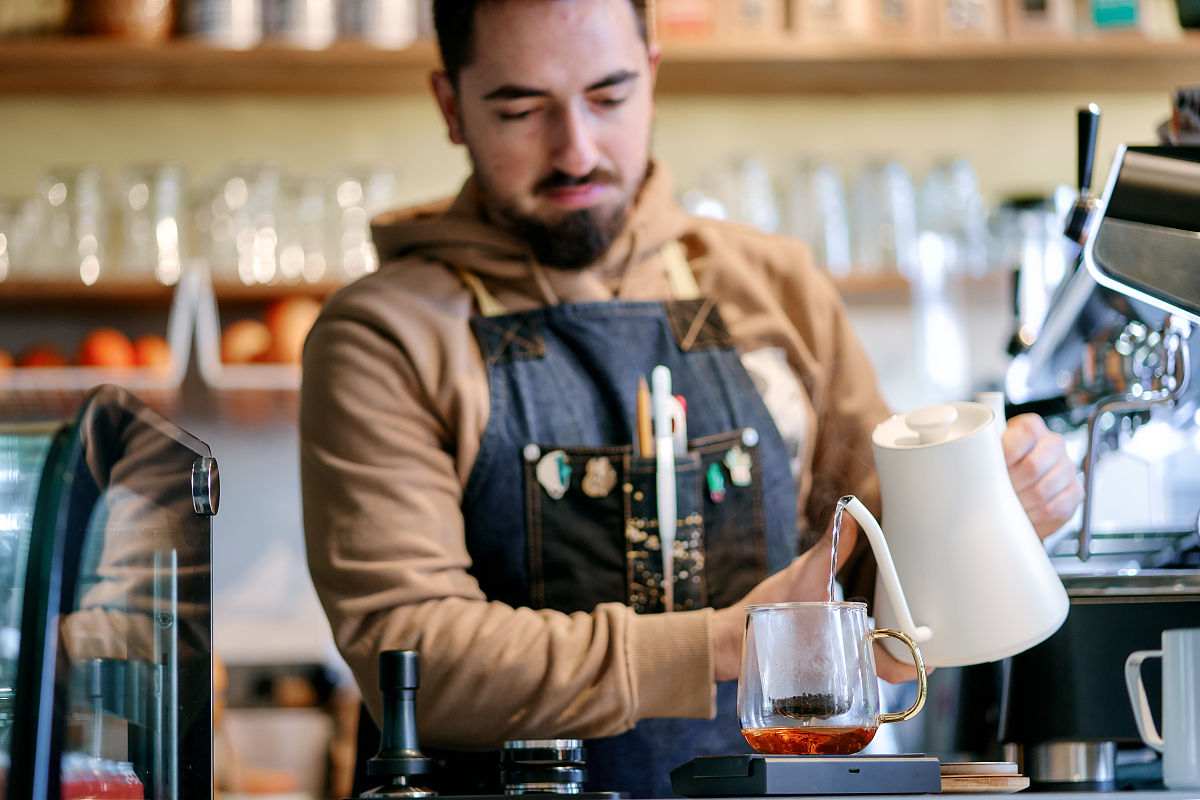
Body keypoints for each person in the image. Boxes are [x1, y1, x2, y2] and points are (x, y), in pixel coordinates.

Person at [299, 1, 1084, 796]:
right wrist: (720, 645)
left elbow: (880, 613)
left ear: (654, 74)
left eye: (610, 97)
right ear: (450, 106)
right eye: (521, 108)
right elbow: (415, 660)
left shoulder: (775, 287)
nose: (575, 150)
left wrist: (990, 519)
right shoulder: (384, 333)